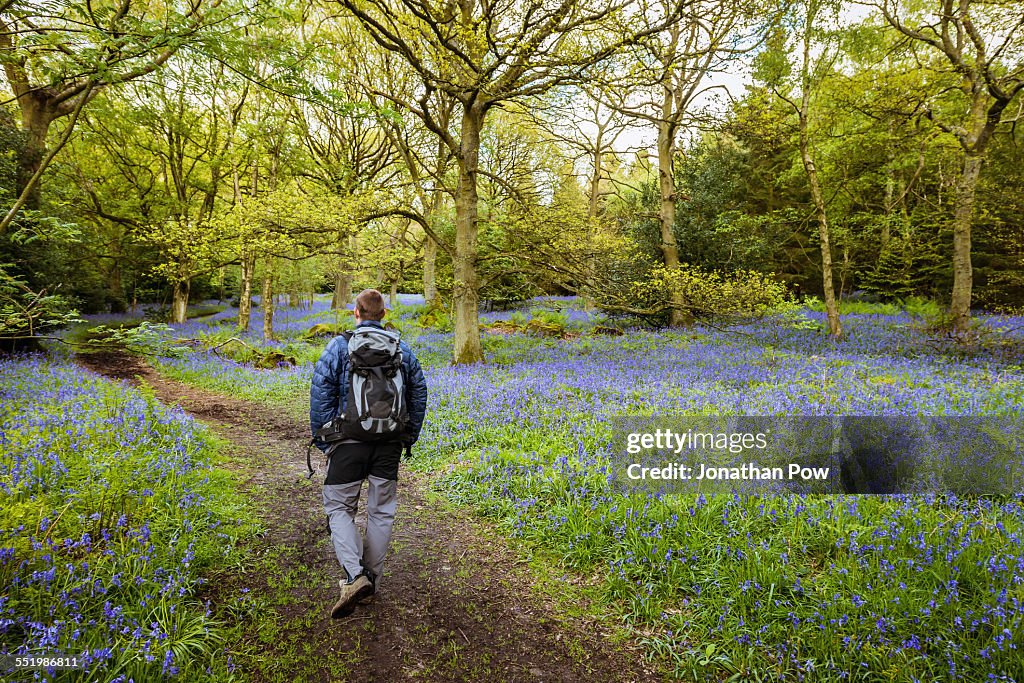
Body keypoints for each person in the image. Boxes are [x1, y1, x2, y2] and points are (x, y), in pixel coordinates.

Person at [310, 288, 428, 618]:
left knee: (338, 508)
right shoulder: (401, 349)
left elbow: (320, 394)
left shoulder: (338, 346)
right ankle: (370, 580)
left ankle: (354, 575)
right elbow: (419, 394)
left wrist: (325, 441)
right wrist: (407, 437)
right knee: (381, 512)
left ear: (356, 313)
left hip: (347, 441)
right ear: (384, 315)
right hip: (389, 443)